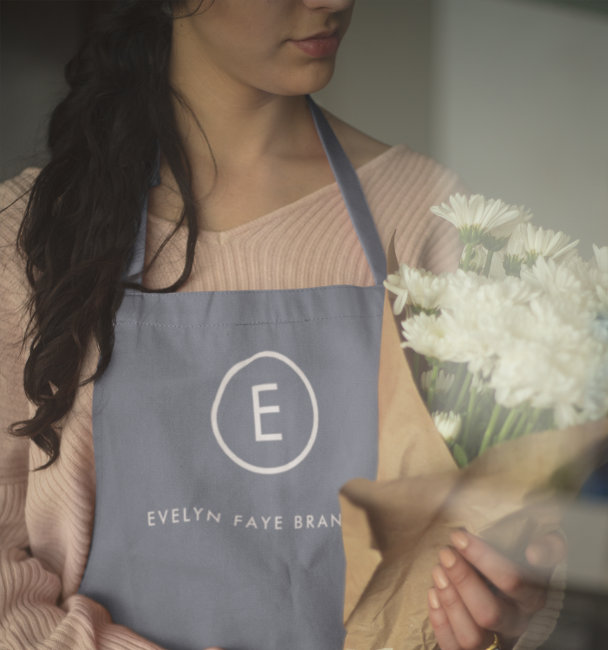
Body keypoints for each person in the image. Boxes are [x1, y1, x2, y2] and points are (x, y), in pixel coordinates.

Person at [0, 1, 566, 649]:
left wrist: (513, 599)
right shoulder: (32, 234)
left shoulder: (431, 218)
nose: (333, 0)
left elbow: (511, 532)